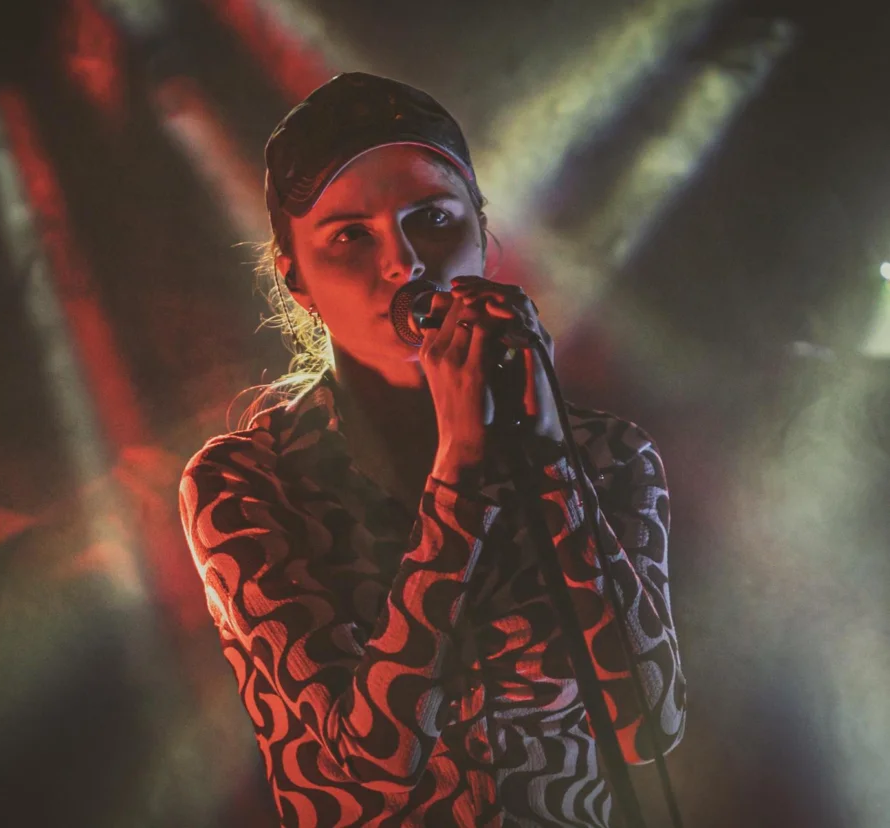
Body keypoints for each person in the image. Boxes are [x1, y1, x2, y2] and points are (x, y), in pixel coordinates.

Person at [179, 72, 686, 828]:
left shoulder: (609, 455)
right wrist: (460, 473)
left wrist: (550, 459)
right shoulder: (244, 482)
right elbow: (372, 764)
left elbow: (649, 725)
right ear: (295, 277)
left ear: (481, 232)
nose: (406, 262)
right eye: (351, 235)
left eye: (434, 219)